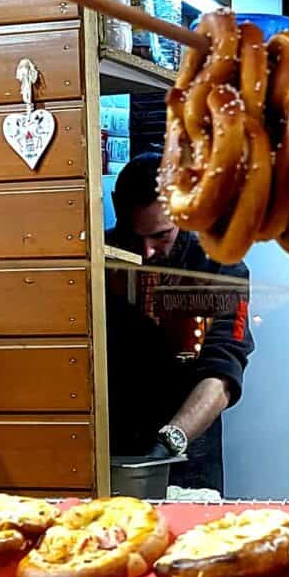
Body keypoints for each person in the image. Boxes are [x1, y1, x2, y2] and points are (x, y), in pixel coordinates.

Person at [105, 153, 254, 495]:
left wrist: (172, 438)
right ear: (116, 205)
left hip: (187, 452)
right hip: (110, 447)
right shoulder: (99, 255)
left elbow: (223, 372)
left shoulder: (217, 265)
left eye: (160, 235)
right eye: (133, 234)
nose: (147, 251)